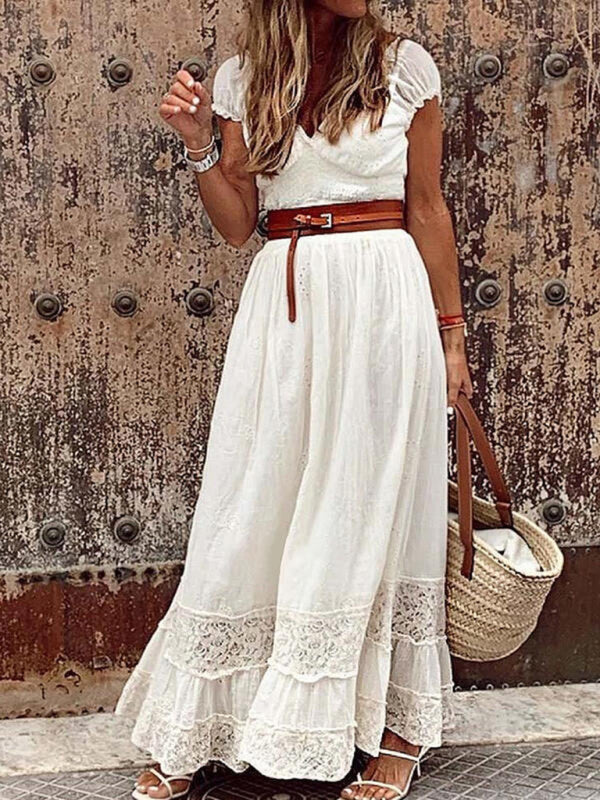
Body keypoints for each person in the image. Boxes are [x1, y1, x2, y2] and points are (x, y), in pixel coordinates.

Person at [115, 1, 474, 799]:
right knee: (252, 503)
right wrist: (200, 144)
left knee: (369, 508)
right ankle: (207, 720)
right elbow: (238, 223)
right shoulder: (243, 79)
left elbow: (426, 206)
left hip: (384, 305)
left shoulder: (405, 68)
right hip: (285, 304)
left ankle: (398, 730)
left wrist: (451, 338)